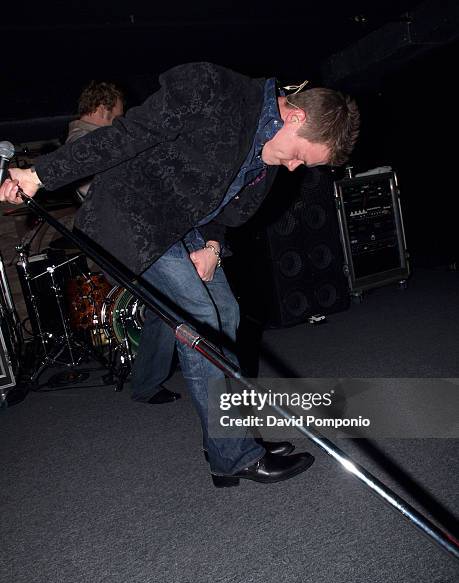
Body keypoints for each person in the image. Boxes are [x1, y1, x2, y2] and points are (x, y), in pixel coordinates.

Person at [0, 62, 359, 487]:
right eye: (301, 154)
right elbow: (125, 136)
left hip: (185, 231)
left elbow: (228, 212)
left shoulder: (269, 157)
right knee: (201, 324)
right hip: (134, 220)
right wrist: (41, 173)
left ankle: (226, 441)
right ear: (295, 116)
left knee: (226, 315)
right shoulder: (215, 90)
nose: (296, 167)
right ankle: (233, 456)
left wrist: (212, 247)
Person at [67, 80, 180, 405]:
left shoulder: (84, 138)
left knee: (164, 307)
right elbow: (95, 190)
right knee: (168, 304)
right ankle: (150, 381)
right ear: (103, 110)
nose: (121, 120)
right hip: (119, 244)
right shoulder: (84, 141)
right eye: (118, 114)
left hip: (120, 242)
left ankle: (148, 381)